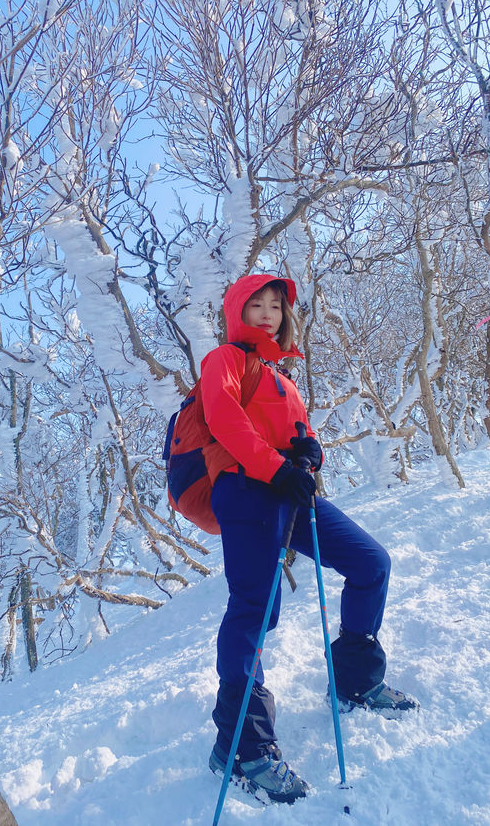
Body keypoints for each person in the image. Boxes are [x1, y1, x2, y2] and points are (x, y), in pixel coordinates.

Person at [201, 274, 418, 805]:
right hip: (248, 492)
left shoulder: (280, 377)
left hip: (288, 494)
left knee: (371, 563)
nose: (269, 312)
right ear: (237, 310)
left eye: (276, 305)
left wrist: (307, 456)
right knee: (255, 609)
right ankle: (242, 748)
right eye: (258, 304)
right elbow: (224, 419)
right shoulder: (223, 361)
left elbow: (304, 433)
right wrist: (277, 468)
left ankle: (353, 680)